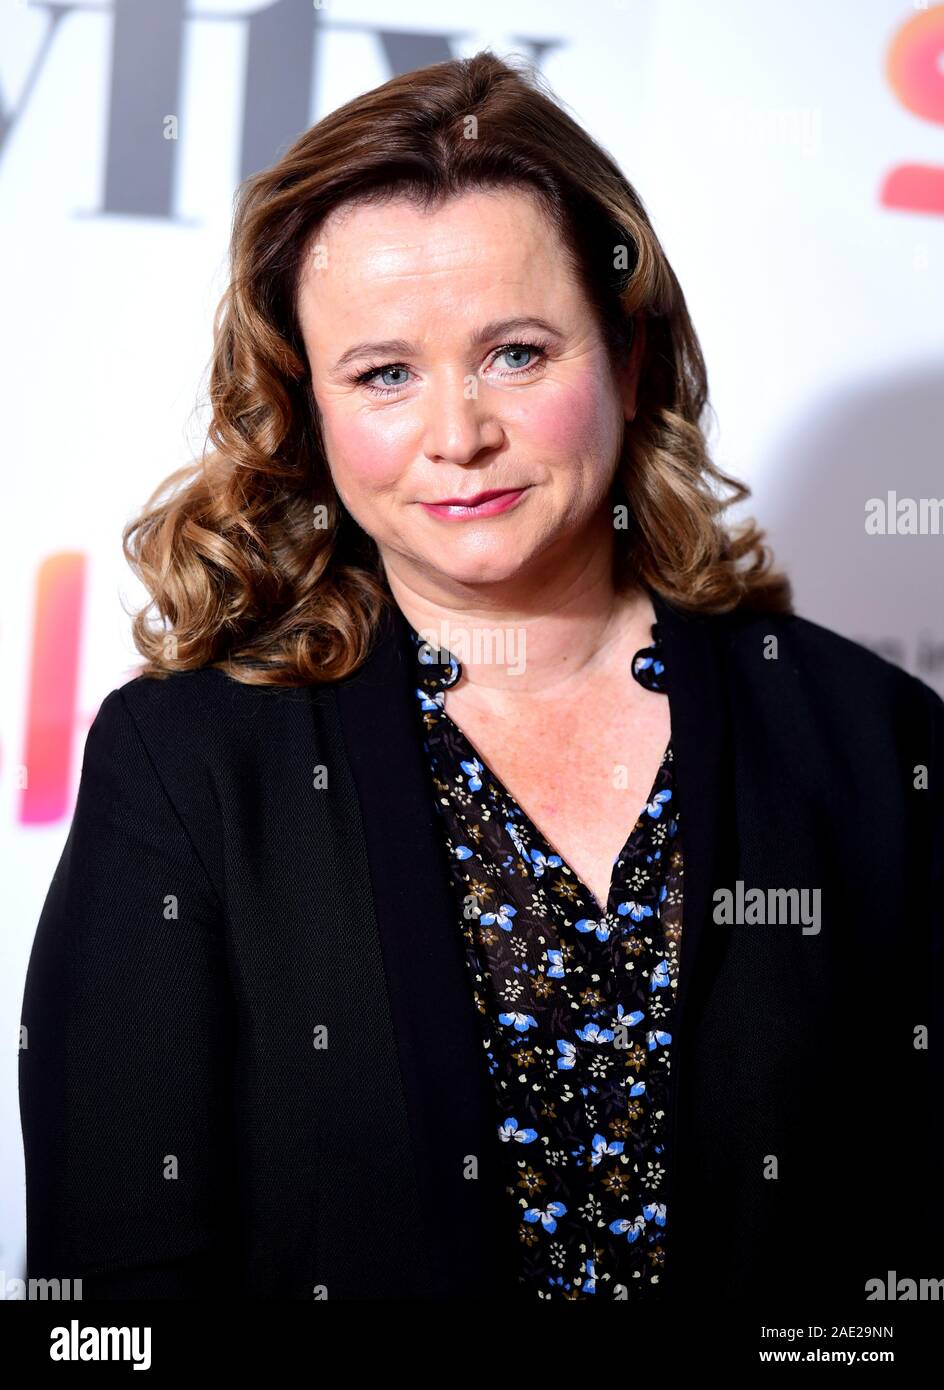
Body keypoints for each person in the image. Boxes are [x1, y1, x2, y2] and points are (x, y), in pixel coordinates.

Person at [19, 50, 941, 1304]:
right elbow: (114, 1300)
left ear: (623, 362)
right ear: (308, 410)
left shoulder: (870, 739)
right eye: (384, 373)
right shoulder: (187, 767)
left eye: (515, 352)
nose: (457, 434)